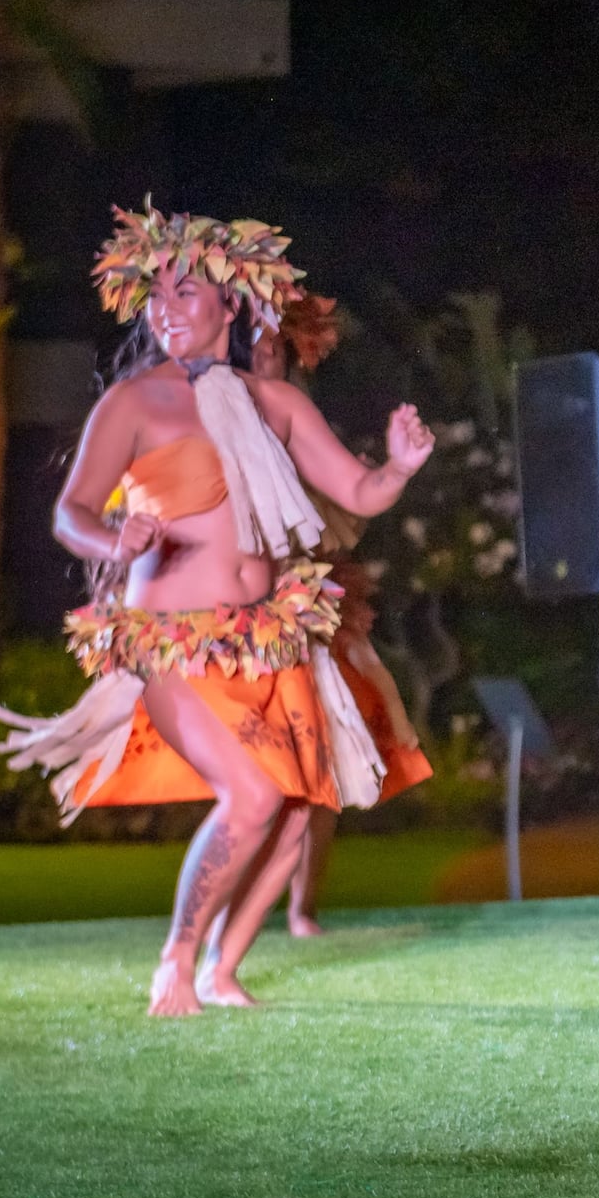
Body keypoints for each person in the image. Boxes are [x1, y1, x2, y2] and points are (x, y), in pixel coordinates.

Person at [0, 203, 431, 1014]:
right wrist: (115, 539)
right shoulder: (134, 404)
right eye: (155, 293)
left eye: (185, 291)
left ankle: (225, 971)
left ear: (233, 304)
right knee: (253, 797)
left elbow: (357, 490)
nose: (165, 307)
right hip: (172, 643)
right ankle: (175, 962)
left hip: (267, 640)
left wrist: (397, 467)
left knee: (298, 806)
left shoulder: (274, 404)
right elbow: (70, 513)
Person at [243, 296, 434, 940]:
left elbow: (354, 496)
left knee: (319, 767)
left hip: (308, 608)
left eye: (273, 343)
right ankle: (229, 915)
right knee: (251, 777)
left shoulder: (296, 423)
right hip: (228, 616)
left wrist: (397, 467)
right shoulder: (194, 416)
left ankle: (300, 907)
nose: (261, 351)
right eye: (251, 339)